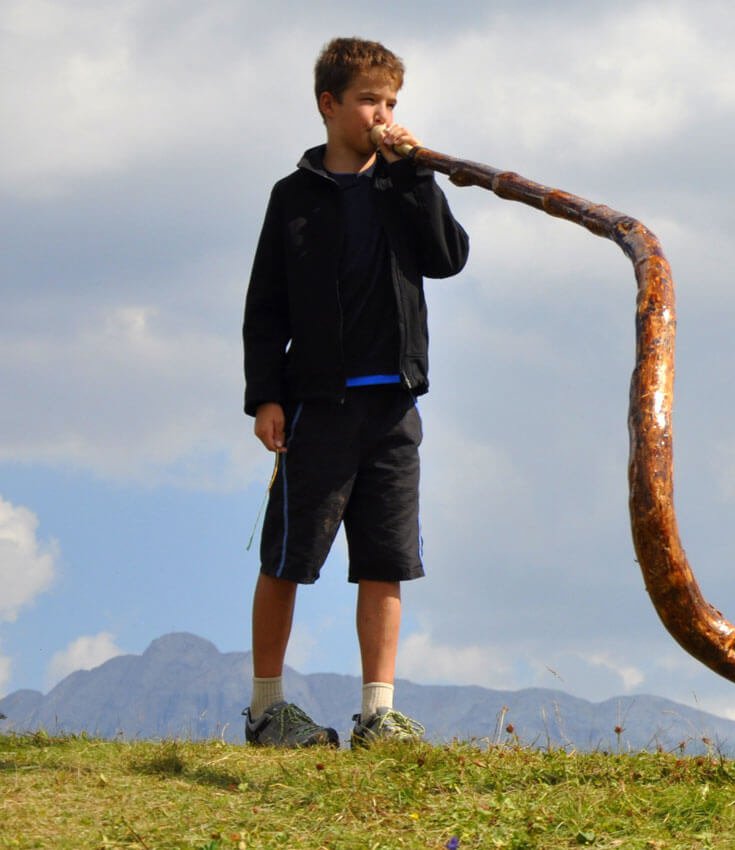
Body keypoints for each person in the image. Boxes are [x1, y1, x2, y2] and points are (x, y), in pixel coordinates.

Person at [241, 37, 470, 748]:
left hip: (394, 404)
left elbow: (447, 258)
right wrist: (266, 396)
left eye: (393, 102)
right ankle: (266, 708)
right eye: (370, 99)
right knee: (288, 557)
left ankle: (378, 711)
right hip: (317, 404)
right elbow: (265, 307)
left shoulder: (401, 185)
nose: (382, 113)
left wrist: (417, 175)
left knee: (387, 560)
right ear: (329, 105)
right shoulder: (294, 199)